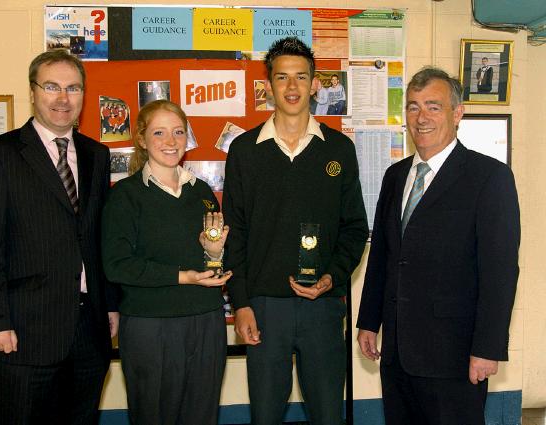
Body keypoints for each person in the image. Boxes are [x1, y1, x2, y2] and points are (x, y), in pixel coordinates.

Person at [356, 67, 520, 425]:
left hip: (455, 356)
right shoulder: (395, 176)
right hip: (397, 353)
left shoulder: (489, 177)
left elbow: (501, 272)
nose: (422, 117)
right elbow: (384, 256)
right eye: (413, 107)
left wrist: (487, 348)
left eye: (433, 106)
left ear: (457, 114)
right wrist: (368, 321)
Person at [0, 49, 119, 425]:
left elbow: (101, 238)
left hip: (88, 331)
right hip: (23, 332)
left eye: (73, 88)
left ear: (83, 94)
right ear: (33, 91)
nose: (63, 98)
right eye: (52, 87)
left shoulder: (97, 156)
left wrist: (111, 304)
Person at [223, 37, 368, 425]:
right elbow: (233, 233)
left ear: (315, 83)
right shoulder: (245, 150)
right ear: (268, 85)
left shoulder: (338, 149)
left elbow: (355, 228)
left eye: (300, 77)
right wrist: (242, 304)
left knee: (327, 416)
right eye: (282, 77)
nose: (291, 87)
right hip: (264, 308)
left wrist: (331, 278)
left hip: (322, 306)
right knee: (265, 416)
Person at [101, 100, 232, 425]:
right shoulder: (126, 195)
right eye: (159, 132)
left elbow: (209, 261)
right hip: (151, 325)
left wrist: (214, 254)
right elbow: (118, 265)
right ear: (142, 139)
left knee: (202, 417)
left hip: (206, 321)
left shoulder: (200, 191)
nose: (171, 141)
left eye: (178, 132)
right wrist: (183, 277)